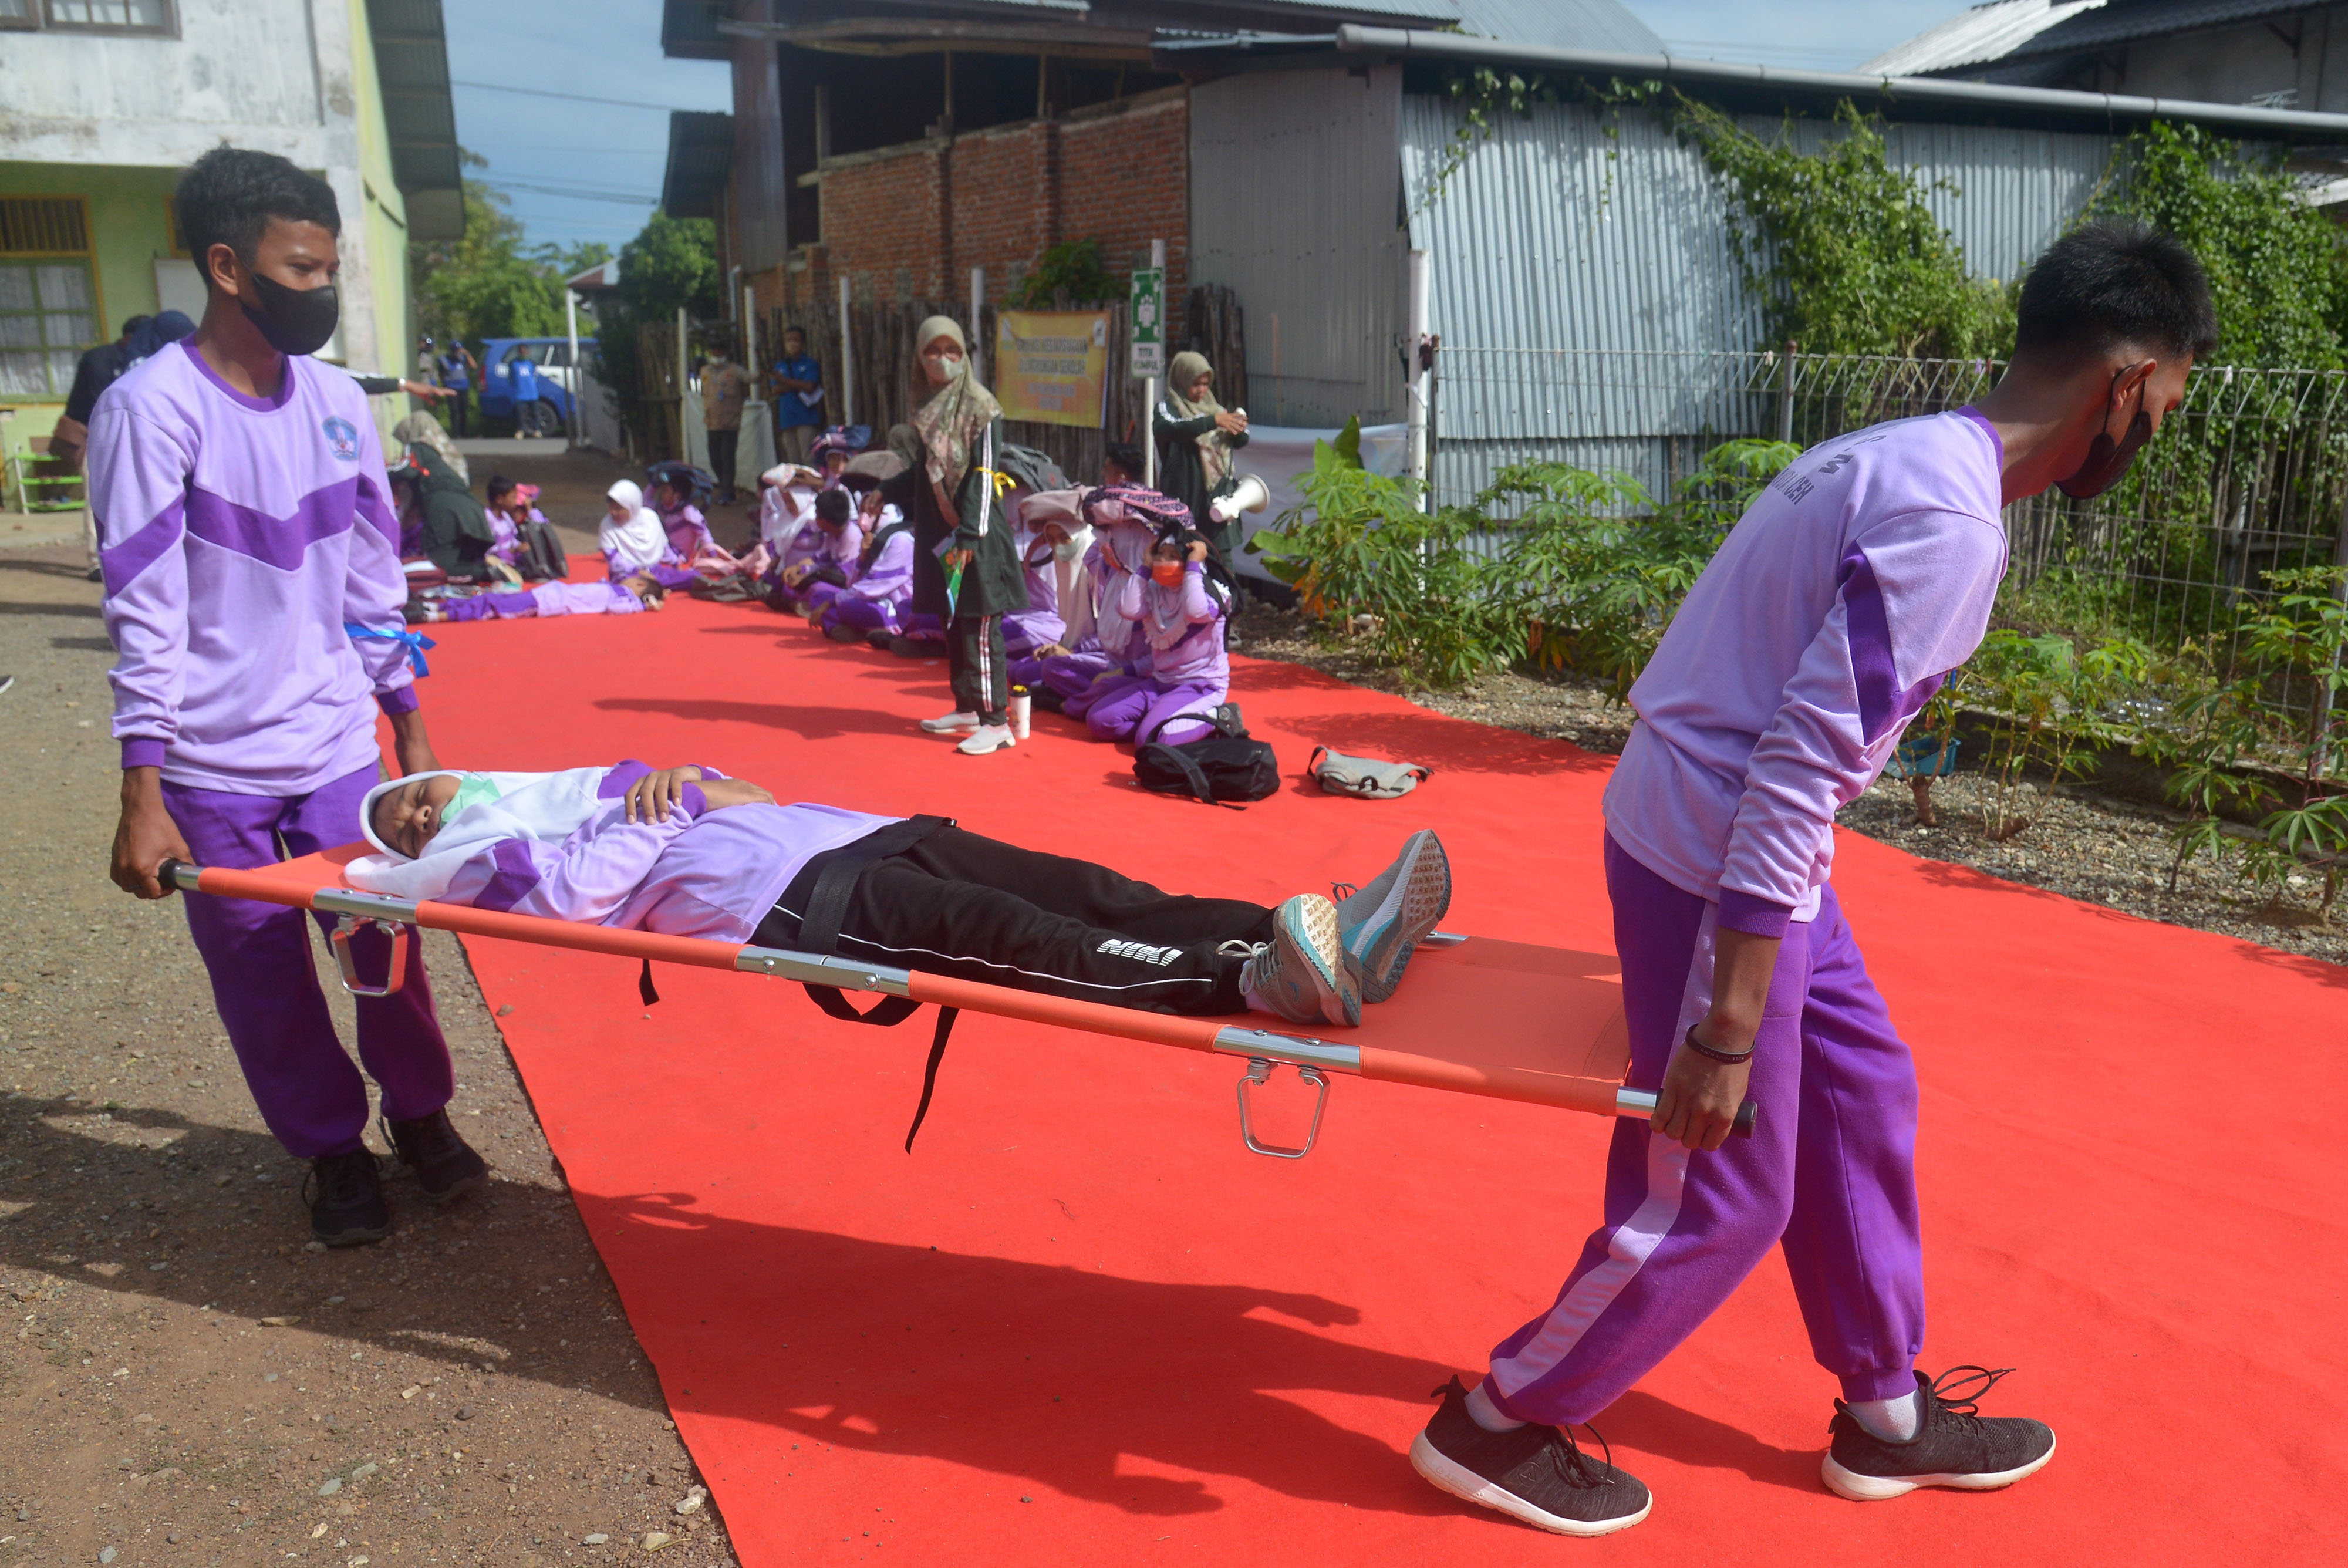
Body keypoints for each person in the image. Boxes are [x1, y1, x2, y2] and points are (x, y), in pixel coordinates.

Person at [1409, 220, 2215, 1537]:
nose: (2152, 438)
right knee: (1722, 1180)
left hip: (1731, 837)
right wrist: (1724, 1027)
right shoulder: (1947, 524)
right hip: (1717, 849)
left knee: (1859, 1081)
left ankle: (1885, 1414)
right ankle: (1497, 1420)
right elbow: (1791, 773)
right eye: (2164, 409)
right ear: (2125, 385)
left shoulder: (1889, 453)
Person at [90, 146, 485, 1248]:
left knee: (388, 954)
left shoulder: (337, 404)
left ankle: (423, 1116)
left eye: (328, 271)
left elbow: (370, 574)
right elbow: (146, 609)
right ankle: (329, 1149)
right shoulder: (150, 411)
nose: (320, 292)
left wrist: (408, 729)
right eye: (302, 271)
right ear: (227, 266)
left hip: (335, 755)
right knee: (264, 982)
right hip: (214, 772)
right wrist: (144, 790)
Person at [355, 762, 1458, 1033]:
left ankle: (1314, 935)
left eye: (415, 797)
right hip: (794, 901)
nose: (418, 815)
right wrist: (672, 805)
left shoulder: (577, 783)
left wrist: (688, 791)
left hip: (864, 836)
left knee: (1100, 890)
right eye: (403, 827)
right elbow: (572, 907)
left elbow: (740, 790)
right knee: (1021, 938)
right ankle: (1260, 981)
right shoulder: (498, 858)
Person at [905, 317, 1024, 756]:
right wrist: (883, 492)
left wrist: (971, 536)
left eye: (952, 351)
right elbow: (924, 473)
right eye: (933, 351)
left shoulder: (981, 407)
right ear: (920, 357)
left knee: (979, 622)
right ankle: (969, 707)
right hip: (942, 535)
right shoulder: (927, 403)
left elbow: (985, 473)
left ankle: (997, 721)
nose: (943, 360)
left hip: (978, 535)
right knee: (951, 620)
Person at [51, 312, 198, 580]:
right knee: (97, 498)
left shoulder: (149, 358)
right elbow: (103, 404)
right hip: (95, 437)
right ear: (129, 337)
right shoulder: (100, 359)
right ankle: (97, 561)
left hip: (136, 438)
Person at [1079, 524, 1230, 746]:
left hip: (1198, 687)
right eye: (1160, 554)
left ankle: (1220, 718)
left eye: (1172, 556)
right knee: (1099, 721)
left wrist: (1193, 566)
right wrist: (1145, 565)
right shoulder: (1154, 591)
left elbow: (1195, 611)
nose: (1163, 561)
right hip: (1159, 682)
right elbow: (1128, 609)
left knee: (1150, 740)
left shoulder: (1215, 594)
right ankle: (1155, 726)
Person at [1153, 352, 1250, 555]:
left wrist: (1240, 428)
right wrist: (1212, 422)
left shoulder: (1217, 409)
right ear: (1182, 380)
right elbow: (1169, 428)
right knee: (1186, 560)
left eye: (1206, 384)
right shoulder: (1168, 409)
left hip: (1217, 501)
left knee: (1222, 564)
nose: (1201, 390)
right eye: (1195, 384)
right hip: (1186, 500)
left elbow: (1240, 442)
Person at [818, 485, 915, 646]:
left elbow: (874, 585)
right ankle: (866, 633)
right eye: (862, 511)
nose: (863, 517)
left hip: (898, 606)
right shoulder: (874, 539)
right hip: (874, 600)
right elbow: (852, 584)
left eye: (870, 512)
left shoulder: (901, 540)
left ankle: (881, 634)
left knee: (842, 607)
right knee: (822, 597)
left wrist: (833, 602)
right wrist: (863, 557)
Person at [389, 444, 497, 580]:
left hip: (445, 510)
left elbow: (405, 471)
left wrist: (379, 471)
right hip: (472, 510)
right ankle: (485, 571)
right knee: (460, 562)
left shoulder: (418, 450)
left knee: (437, 565)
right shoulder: (442, 470)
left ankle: (485, 573)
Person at [414, 572, 666, 623]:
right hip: (546, 594)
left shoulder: (624, 598)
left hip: (547, 602)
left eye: (635, 579)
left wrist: (643, 606)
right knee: (493, 598)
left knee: (493, 606)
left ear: (640, 585)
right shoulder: (612, 587)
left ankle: (435, 615)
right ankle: (435, 606)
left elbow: (615, 609)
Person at [773, 487, 863, 618]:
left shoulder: (852, 536)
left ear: (824, 520)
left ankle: (806, 607)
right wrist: (797, 569)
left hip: (845, 585)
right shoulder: (831, 534)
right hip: (826, 576)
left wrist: (807, 576)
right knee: (789, 583)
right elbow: (818, 559)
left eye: (817, 514)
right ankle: (800, 605)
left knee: (817, 590)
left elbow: (844, 577)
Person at [600, 478, 697, 589]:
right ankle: (654, 588)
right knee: (636, 588)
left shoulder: (650, 518)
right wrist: (641, 573)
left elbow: (663, 546)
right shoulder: (607, 525)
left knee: (693, 576)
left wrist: (676, 565)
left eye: (618, 509)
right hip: (628, 575)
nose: (613, 512)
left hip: (655, 571)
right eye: (611, 508)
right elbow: (614, 560)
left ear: (633, 507)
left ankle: (655, 588)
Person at [701, 349, 750, 501]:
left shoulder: (736, 371)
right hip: (712, 423)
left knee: (728, 458)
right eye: (713, 352)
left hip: (731, 423)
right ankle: (726, 487)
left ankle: (727, 493)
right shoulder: (705, 371)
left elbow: (750, 379)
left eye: (719, 351)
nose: (716, 355)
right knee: (714, 458)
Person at [771, 325, 824, 463]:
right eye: (788, 340)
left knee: (809, 458)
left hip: (806, 417)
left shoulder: (810, 364)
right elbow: (775, 389)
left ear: (803, 343)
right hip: (787, 418)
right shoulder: (781, 365)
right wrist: (797, 384)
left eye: (795, 340)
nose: (792, 344)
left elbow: (809, 386)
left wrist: (784, 382)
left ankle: (813, 485)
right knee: (792, 460)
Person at [432, 338, 480, 436]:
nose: (457, 352)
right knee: (454, 411)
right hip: (451, 388)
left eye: (459, 350)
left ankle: (464, 432)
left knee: (464, 411)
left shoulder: (463, 359)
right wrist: (444, 385)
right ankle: (455, 433)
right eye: (455, 350)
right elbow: (441, 375)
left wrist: (467, 354)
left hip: (463, 387)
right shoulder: (445, 360)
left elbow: (474, 366)